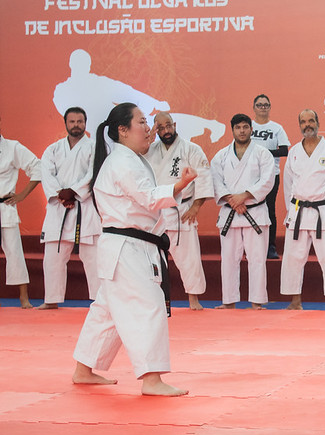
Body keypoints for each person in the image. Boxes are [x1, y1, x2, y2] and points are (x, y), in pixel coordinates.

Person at [72, 102, 197, 396]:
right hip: (127, 249)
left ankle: (83, 369)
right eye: (142, 122)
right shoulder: (122, 162)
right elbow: (146, 196)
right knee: (148, 306)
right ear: (123, 130)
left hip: (126, 247)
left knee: (107, 312)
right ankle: (152, 379)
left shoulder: (129, 159)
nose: (148, 127)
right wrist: (180, 185)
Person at [145, 112, 213, 311]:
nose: (166, 131)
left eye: (169, 126)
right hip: (155, 212)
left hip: (181, 210)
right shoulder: (149, 151)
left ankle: (193, 299)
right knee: (152, 260)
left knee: (189, 258)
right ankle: (152, 299)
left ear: (174, 125)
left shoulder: (191, 149)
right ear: (156, 129)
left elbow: (203, 178)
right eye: (161, 128)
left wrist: (195, 207)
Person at [38, 107, 101, 309]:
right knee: (53, 257)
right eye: (72, 121)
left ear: (85, 123)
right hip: (59, 208)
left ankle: (100, 301)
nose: (76, 125)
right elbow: (46, 174)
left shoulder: (94, 147)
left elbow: (94, 174)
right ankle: (51, 300)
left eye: (80, 121)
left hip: (84, 206)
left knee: (93, 258)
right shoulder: (53, 149)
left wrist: (73, 192)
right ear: (65, 123)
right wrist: (61, 195)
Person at [280, 109, 325, 310]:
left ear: (318, 123)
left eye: (311, 120)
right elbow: (288, 184)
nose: (307, 125)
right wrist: (291, 212)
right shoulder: (294, 152)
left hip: (323, 211)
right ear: (299, 125)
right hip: (298, 212)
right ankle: (295, 301)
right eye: (303, 122)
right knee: (293, 258)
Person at [211, 113, 275, 309]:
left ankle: (257, 302)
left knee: (257, 259)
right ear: (232, 130)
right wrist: (233, 200)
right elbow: (215, 181)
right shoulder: (221, 155)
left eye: (245, 127)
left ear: (251, 129)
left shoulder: (263, 154)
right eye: (238, 127)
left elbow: (267, 181)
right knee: (229, 259)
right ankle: (229, 301)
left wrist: (244, 195)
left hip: (254, 212)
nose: (242, 130)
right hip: (231, 212)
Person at [0, 114, 41, 309]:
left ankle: (24, 298)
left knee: (15, 253)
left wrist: (22, 195)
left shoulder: (12, 147)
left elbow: (37, 167)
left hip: (5, 206)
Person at [251, 94, 290, 259]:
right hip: (250, 176)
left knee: (269, 210)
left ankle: (270, 247)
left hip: (270, 175)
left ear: (269, 107)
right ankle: (253, 246)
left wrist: (263, 153)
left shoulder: (276, 128)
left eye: (266, 105)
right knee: (251, 210)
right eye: (259, 105)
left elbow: (284, 150)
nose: (262, 108)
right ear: (254, 107)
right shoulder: (248, 126)